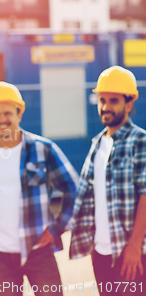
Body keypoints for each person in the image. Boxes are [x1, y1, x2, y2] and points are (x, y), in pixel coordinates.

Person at [0, 81, 78, 296]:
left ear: (19, 114)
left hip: (39, 251)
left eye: (8, 113)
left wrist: (57, 228)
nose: (2, 120)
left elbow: (74, 189)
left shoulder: (43, 150)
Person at [69, 66, 146, 296]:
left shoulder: (139, 141)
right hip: (101, 253)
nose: (105, 106)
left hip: (130, 252)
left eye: (113, 100)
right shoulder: (98, 143)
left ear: (129, 104)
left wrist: (134, 246)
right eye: (102, 100)